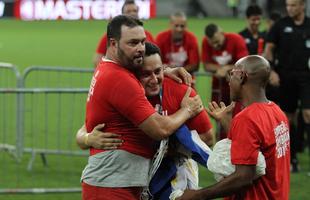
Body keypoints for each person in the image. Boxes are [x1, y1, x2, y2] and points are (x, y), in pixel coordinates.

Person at [81, 15, 203, 200]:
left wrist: (165, 69)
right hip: (111, 186)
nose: (140, 49)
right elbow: (160, 129)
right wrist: (188, 110)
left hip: (117, 182)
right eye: (133, 43)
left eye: (142, 42)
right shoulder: (119, 79)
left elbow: (87, 126)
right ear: (113, 44)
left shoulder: (110, 69)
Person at [177, 55, 290, 200]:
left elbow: (243, 177)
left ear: (242, 76)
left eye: (232, 74)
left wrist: (198, 195)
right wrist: (225, 120)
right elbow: (250, 144)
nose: (228, 81)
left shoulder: (247, 118)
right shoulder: (277, 112)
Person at [264, 0, 310, 172]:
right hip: (286, 77)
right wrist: (272, 71)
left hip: (307, 77)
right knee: (288, 118)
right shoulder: (280, 25)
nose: (290, 8)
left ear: (302, 6)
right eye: (288, 5)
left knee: (308, 114)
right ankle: (292, 159)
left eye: (293, 5)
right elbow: (269, 49)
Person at [201, 23, 248, 139]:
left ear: (222, 33)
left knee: (237, 115)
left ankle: (238, 140)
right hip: (219, 87)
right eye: (213, 43)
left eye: (217, 41)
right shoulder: (205, 42)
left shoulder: (236, 40)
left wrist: (226, 69)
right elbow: (206, 65)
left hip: (238, 89)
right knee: (218, 115)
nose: (216, 45)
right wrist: (222, 69)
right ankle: (222, 142)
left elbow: (244, 63)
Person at [92, 0, 155, 66]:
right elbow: (97, 60)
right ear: (122, 15)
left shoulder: (148, 35)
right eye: (128, 11)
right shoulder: (113, 35)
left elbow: (157, 57)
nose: (132, 13)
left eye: (135, 11)